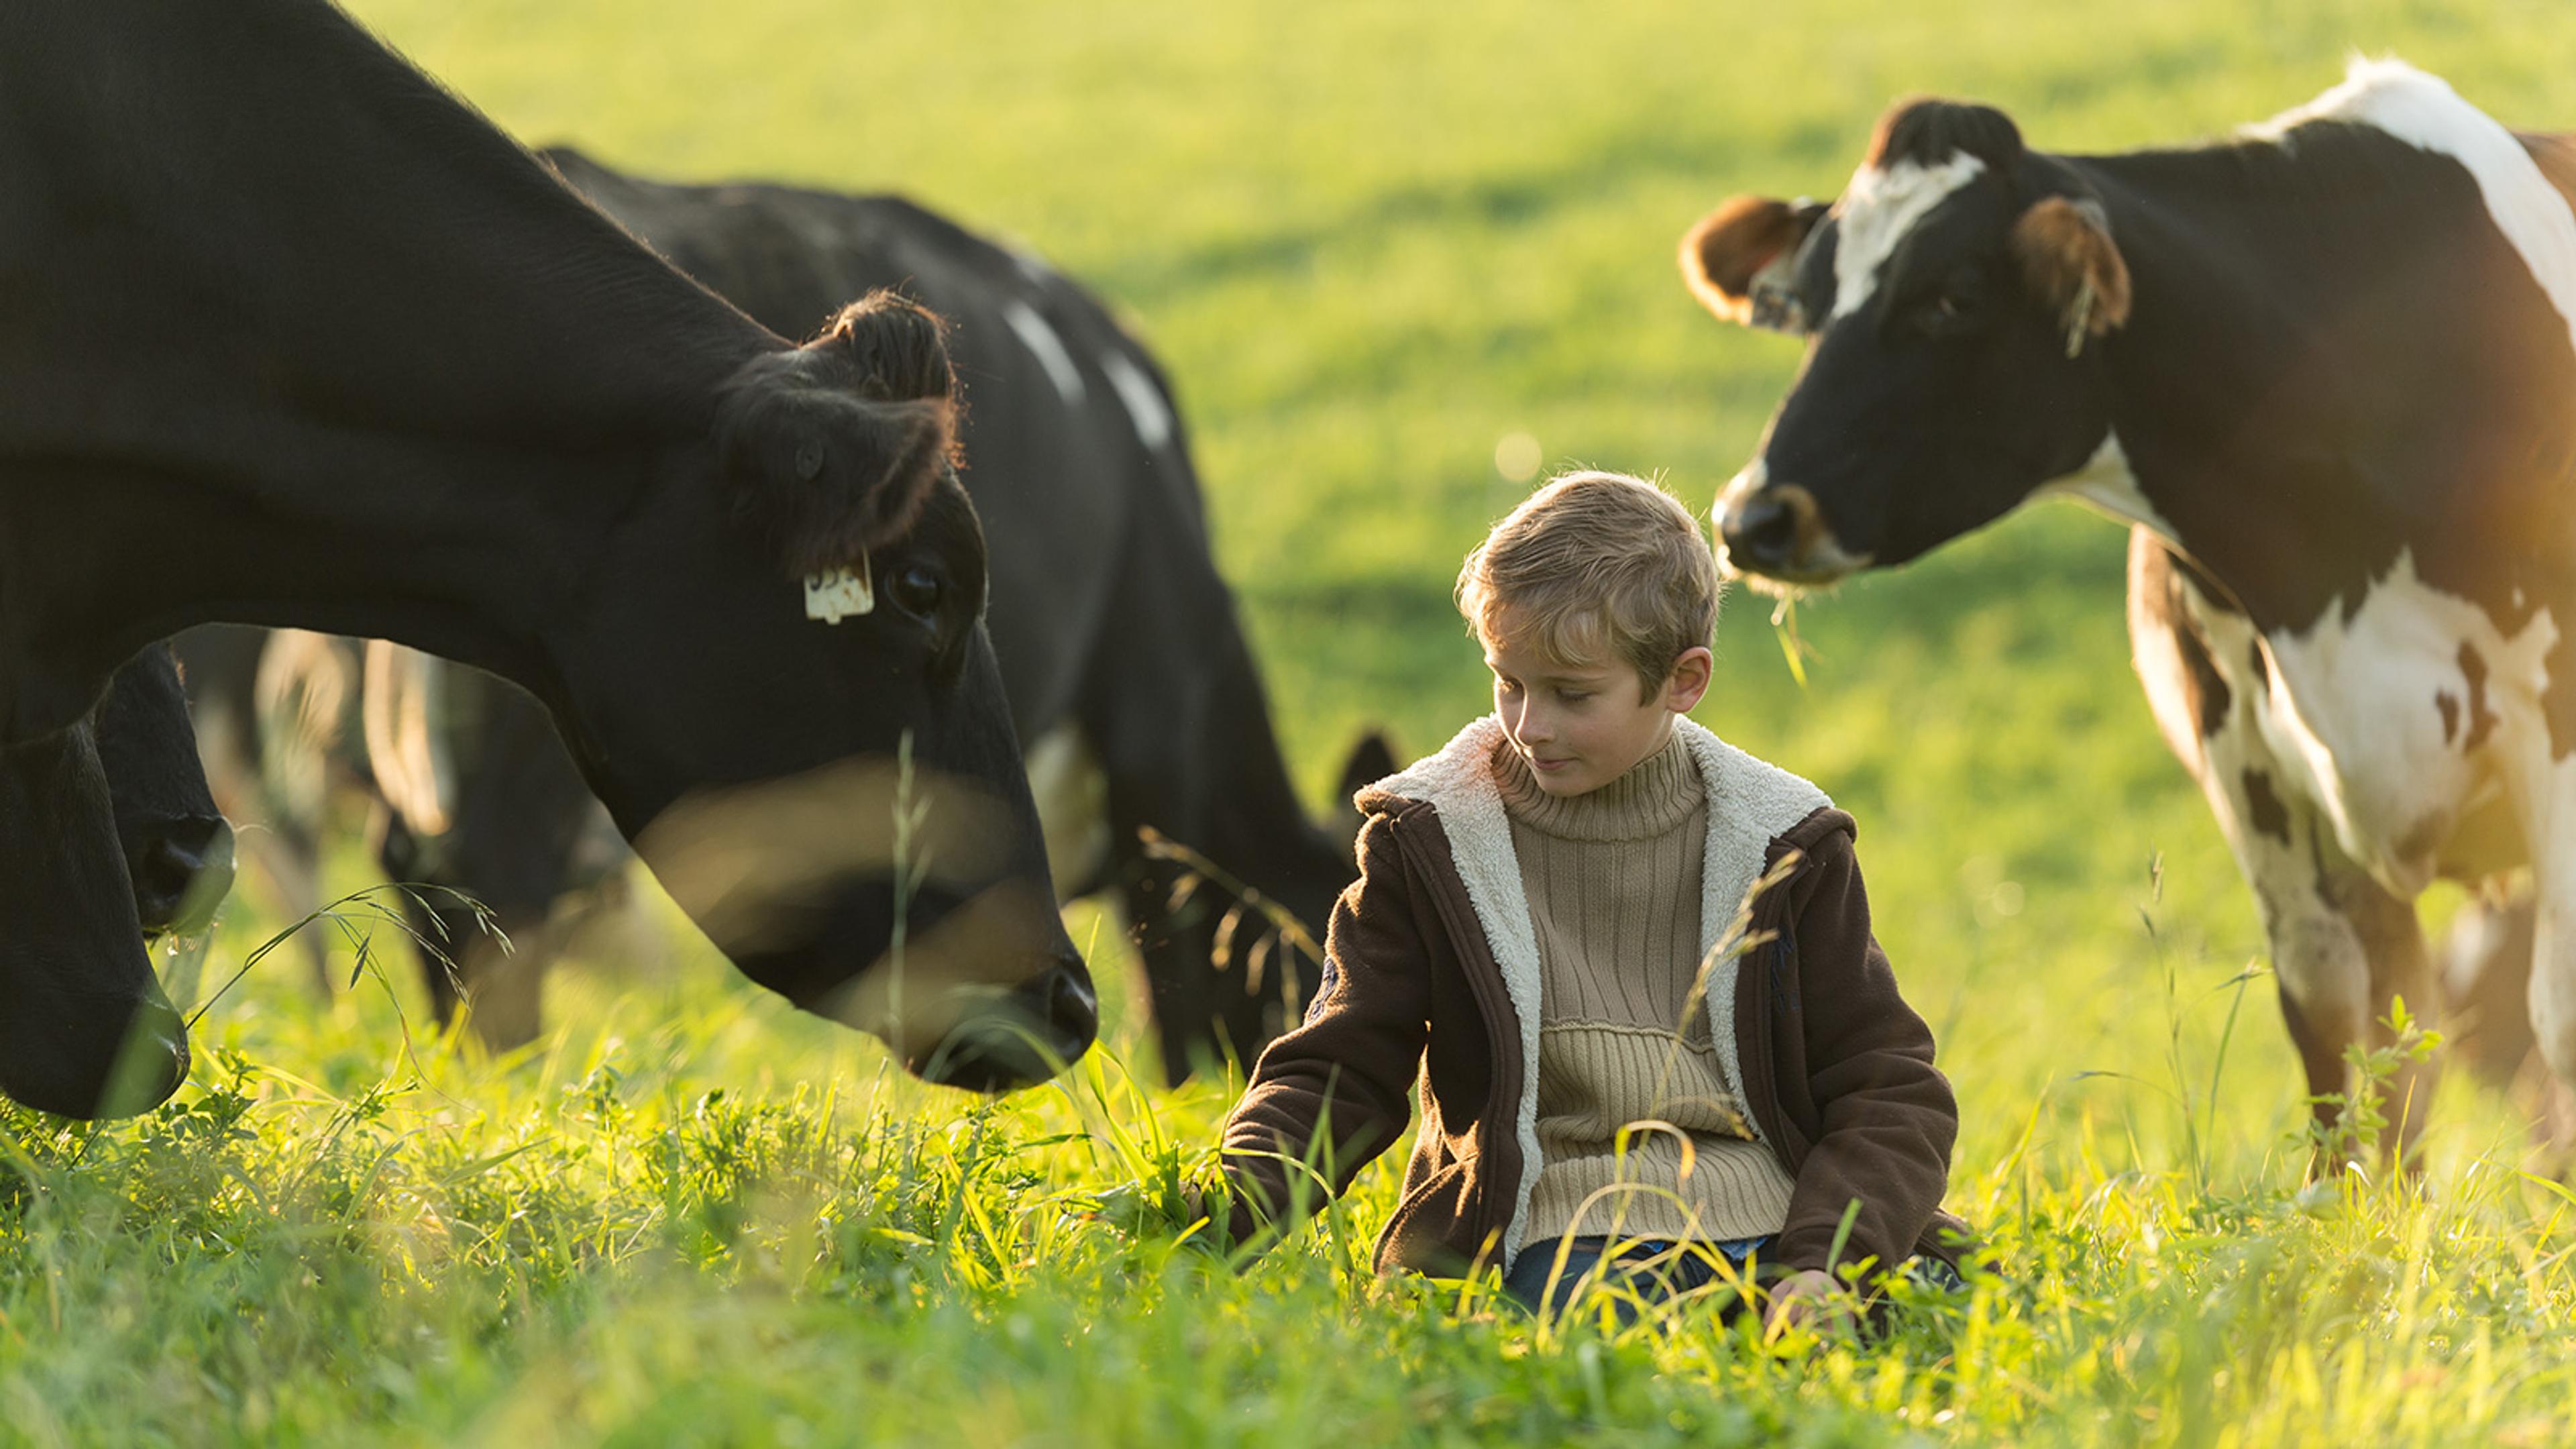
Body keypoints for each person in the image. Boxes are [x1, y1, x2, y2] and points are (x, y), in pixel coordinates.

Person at [1197, 470, 1967, 1329]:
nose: (1530, 725)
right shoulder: (1430, 842)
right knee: (1613, 1330)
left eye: (1573, 694)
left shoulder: (1787, 845)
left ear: (1683, 680)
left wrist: (1830, 1266)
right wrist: (1215, 1212)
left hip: (1783, 1223)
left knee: (1944, 1304)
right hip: (1558, 1232)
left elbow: (1890, 1084)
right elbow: (1340, 1066)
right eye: (1509, 682)